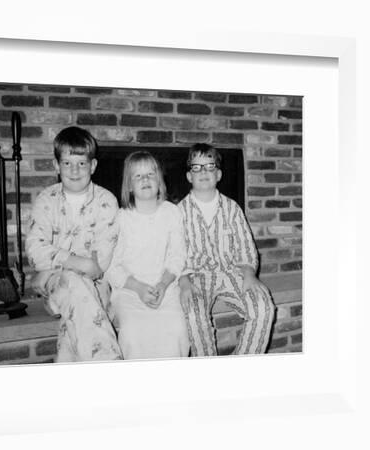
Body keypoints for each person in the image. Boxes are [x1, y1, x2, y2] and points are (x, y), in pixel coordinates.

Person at [25, 126, 123, 363]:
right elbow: (34, 250)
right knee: (73, 281)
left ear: (93, 166)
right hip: (56, 285)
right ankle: (108, 362)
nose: (75, 170)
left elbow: (99, 266)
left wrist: (48, 268)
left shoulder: (106, 201)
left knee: (74, 323)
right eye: (67, 163)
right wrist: (75, 261)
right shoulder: (46, 199)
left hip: (95, 287)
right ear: (56, 166)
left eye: (81, 163)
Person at [177, 143, 276, 356]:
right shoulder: (179, 212)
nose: (203, 172)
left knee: (263, 307)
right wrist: (183, 281)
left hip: (232, 271)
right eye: (197, 167)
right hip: (196, 276)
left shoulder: (232, 208)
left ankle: (241, 365)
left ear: (218, 174)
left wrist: (249, 274)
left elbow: (245, 245)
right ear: (188, 176)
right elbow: (173, 252)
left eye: (210, 166)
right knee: (193, 315)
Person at [105, 151, 189, 359]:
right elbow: (112, 266)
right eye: (138, 176)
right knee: (133, 333)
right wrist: (139, 288)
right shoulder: (121, 218)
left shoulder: (172, 212)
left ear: (159, 181)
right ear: (129, 186)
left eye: (150, 174)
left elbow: (177, 256)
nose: (145, 179)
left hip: (166, 287)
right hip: (130, 290)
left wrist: (163, 284)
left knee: (177, 329)